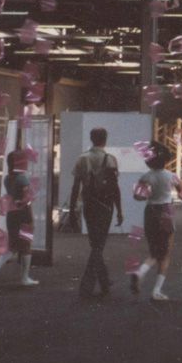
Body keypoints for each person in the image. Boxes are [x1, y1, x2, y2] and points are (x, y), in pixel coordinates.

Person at [130, 143, 182, 301]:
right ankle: (155, 289)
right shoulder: (171, 176)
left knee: (154, 251)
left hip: (150, 212)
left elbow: (138, 197)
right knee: (165, 254)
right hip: (166, 212)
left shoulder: (146, 177)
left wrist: (148, 193)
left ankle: (140, 272)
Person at [69, 128, 122, 298]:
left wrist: (71, 210)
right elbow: (115, 188)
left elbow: (76, 186)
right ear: (105, 140)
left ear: (91, 139)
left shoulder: (82, 158)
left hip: (89, 205)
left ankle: (102, 282)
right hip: (106, 207)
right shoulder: (111, 159)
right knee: (99, 245)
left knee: (95, 244)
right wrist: (120, 210)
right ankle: (91, 285)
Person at [0, 150, 39, 287]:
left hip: (12, 214)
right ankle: (25, 277)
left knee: (13, 245)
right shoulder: (23, 178)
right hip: (24, 214)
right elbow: (26, 198)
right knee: (26, 245)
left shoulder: (7, 178)